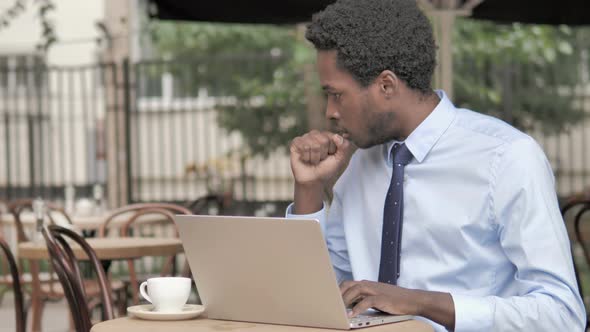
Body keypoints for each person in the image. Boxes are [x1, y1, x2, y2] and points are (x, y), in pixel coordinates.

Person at [286, 0, 586, 331]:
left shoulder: (507, 158)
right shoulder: (359, 166)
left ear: (387, 85)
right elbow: (315, 298)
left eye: (336, 94)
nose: (329, 111)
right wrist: (309, 189)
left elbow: (562, 315)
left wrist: (419, 302)